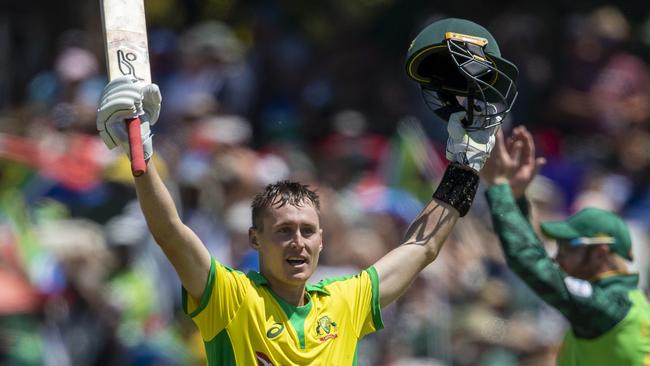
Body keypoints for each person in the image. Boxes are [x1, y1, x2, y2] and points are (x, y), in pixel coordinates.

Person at [95, 18, 517, 365]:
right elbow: (170, 230)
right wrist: (142, 153)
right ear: (254, 238)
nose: (297, 241)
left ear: (322, 239)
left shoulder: (344, 300)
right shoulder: (230, 299)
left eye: (307, 230)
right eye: (283, 231)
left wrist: (466, 165)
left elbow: (422, 247)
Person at [481, 125, 650, 365]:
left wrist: (498, 189)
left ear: (600, 252)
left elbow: (530, 263)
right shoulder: (612, 303)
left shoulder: (610, 307)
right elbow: (535, 256)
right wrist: (517, 198)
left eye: (569, 248)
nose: (558, 257)